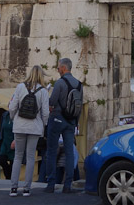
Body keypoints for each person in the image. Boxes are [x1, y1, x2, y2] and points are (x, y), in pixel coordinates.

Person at [8, 65, 49, 197]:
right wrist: (42, 125)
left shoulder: (20, 87)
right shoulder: (43, 91)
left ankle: (13, 188)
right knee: (31, 157)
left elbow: (13, 106)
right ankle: (26, 188)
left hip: (20, 125)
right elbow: (45, 113)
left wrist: (13, 118)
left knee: (18, 156)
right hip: (34, 127)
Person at [43, 57, 81, 193]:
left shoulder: (59, 83)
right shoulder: (79, 84)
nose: (58, 69)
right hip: (71, 122)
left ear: (64, 68)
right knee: (70, 152)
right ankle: (67, 185)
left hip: (57, 119)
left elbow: (52, 101)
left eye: (59, 67)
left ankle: (51, 184)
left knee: (52, 151)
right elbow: (79, 106)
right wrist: (75, 123)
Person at [0, 109, 14, 179]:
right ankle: (8, 176)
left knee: (13, 163)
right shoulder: (5, 115)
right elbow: (1, 129)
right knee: (0, 159)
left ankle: (10, 179)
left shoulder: (19, 116)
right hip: (5, 141)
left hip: (14, 142)